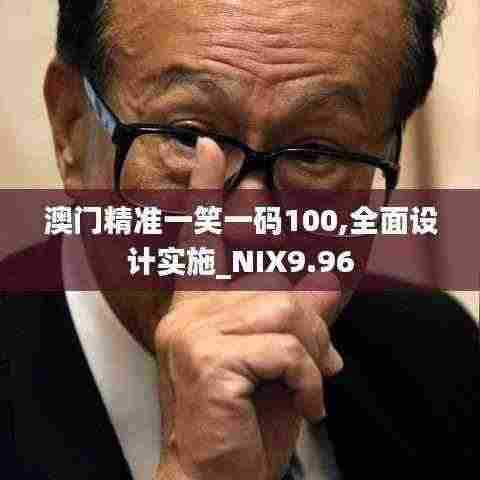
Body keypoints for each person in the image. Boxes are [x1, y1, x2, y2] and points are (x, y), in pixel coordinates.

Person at [1, 0, 478, 479]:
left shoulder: (441, 359)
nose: (250, 225)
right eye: (189, 137)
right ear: (71, 125)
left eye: (315, 151)